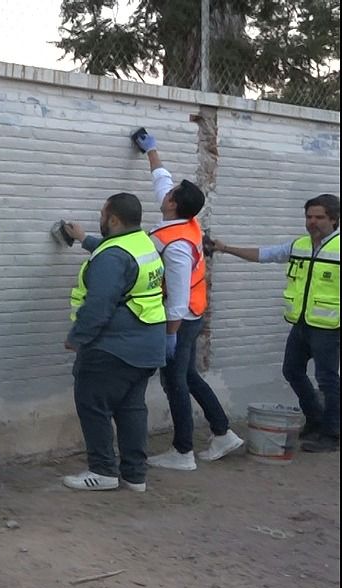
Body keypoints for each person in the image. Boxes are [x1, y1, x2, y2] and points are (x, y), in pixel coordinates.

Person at [100, 128, 243, 469]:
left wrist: (170, 336)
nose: (166, 193)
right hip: (192, 311)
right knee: (188, 376)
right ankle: (223, 432)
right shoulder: (185, 222)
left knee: (174, 381)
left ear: (173, 204)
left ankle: (183, 452)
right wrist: (151, 150)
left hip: (183, 317)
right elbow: (161, 180)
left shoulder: (176, 244)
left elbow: (177, 297)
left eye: (171, 193)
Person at [211, 194, 341, 453]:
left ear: (335, 220)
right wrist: (225, 248)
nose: (312, 222)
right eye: (309, 216)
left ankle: (332, 433)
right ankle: (315, 419)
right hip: (301, 324)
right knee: (292, 371)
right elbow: (265, 254)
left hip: (329, 328)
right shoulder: (299, 245)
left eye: (319, 217)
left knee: (327, 380)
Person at [60, 194, 167, 491]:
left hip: (113, 347)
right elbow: (119, 258)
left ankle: (103, 471)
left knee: (93, 404)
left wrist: (77, 337)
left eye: (103, 214)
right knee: (131, 409)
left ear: (114, 219)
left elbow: (99, 305)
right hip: (147, 345)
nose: (101, 218)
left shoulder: (112, 257)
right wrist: (84, 239)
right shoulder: (143, 243)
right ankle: (134, 475)